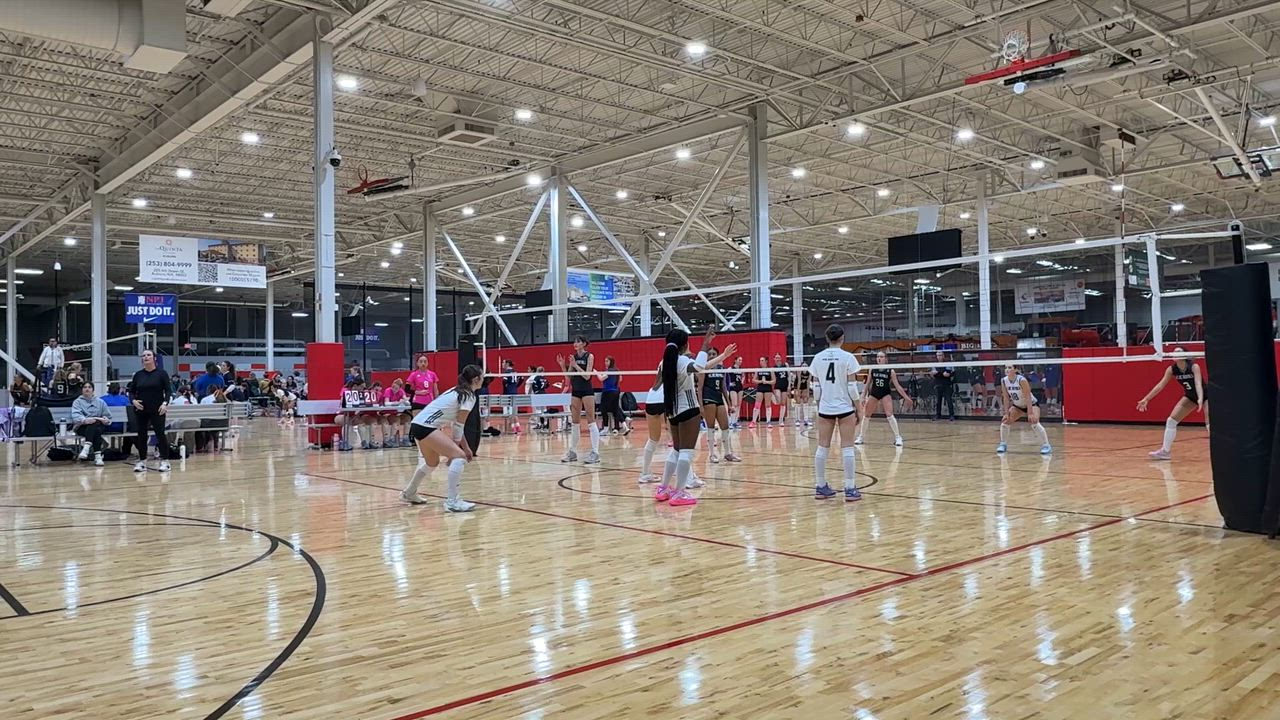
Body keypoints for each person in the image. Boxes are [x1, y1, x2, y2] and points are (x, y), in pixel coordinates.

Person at [651, 328, 734, 507]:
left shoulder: (665, 362)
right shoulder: (682, 360)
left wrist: (722, 357)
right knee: (686, 452)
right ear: (684, 344)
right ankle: (679, 492)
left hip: (673, 411)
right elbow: (698, 367)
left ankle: (663, 488)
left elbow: (700, 367)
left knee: (676, 451)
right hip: (688, 410)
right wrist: (705, 344)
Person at [399, 364, 485, 512]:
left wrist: (465, 447)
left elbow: (457, 424)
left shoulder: (456, 391)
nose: (484, 379)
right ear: (476, 379)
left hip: (417, 424)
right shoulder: (468, 396)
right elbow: (458, 426)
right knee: (459, 457)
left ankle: (409, 492)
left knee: (432, 463)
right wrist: (456, 451)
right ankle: (452, 501)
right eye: (482, 377)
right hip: (426, 427)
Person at [809, 325, 863, 501]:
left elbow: (816, 389)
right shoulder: (848, 358)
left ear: (827, 338)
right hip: (845, 408)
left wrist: (820, 406)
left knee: (822, 447)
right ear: (842, 338)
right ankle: (850, 488)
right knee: (847, 447)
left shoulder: (818, 358)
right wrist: (859, 408)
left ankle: (820, 486)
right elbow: (852, 388)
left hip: (825, 408)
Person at [1137, 348, 1208, 460]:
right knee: (1171, 421)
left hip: (1206, 396)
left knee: (1209, 425)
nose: (1175, 353)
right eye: (1174, 352)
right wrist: (1146, 399)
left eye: (1179, 351)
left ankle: (1221, 451)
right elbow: (1160, 385)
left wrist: (1200, 398)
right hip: (1190, 397)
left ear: (1185, 355)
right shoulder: (1171, 369)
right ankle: (1165, 452)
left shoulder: (1194, 367)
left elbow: (1198, 383)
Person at [557, 336, 601, 464]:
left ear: (584, 344)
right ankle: (573, 452)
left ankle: (595, 452)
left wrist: (575, 365)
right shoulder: (573, 357)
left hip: (587, 391)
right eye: (574, 342)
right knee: (575, 422)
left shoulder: (589, 356)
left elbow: (587, 376)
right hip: (575, 391)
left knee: (591, 420)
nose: (575, 344)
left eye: (578, 342)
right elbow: (569, 377)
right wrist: (563, 366)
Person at [129, 349, 173, 472]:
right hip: (141, 409)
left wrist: (165, 403)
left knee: (160, 434)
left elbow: (168, 390)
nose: (146, 357)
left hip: (158, 409)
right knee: (141, 435)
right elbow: (131, 392)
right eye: (144, 355)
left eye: (148, 355)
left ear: (154, 358)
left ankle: (165, 461)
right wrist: (133, 401)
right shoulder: (138, 375)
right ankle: (142, 461)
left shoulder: (161, 373)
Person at [857, 351, 912, 446]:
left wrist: (906, 398)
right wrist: (863, 396)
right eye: (878, 357)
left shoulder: (890, 371)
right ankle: (861, 437)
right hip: (874, 393)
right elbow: (867, 384)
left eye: (881, 357)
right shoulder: (872, 369)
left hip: (885, 393)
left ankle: (898, 437)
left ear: (886, 359)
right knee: (866, 415)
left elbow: (898, 386)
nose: (879, 358)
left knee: (889, 415)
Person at [997, 364, 1052, 455]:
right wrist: (1006, 413)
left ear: (1015, 370)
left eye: (1010, 367)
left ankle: (1046, 445)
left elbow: (1028, 397)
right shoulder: (1004, 380)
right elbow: (1006, 398)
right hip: (1018, 406)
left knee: (1034, 422)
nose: (1007, 369)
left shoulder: (1021, 380)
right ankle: (1003, 444)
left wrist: (1030, 413)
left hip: (1031, 404)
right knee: (1005, 421)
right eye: (1006, 368)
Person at [700, 346, 740, 463]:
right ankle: (712, 454)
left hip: (719, 399)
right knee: (711, 427)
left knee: (725, 426)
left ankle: (727, 453)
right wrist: (700, 405)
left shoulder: (721, 368)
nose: (712, 356)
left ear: (717, 356)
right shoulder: (704, 368)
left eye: (714, 354)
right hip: (708, 398)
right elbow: (700, 388)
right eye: (709, 354)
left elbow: (723, 387)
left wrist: (729, 404)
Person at [71, 383, 112, 466]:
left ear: (93, 390)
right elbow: (75, 416)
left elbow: (108, 416)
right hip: (82, 427)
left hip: (98, 425)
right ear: (82, 390)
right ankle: (98, 457)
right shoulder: (77, 402)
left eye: (89, 387)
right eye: (85, 387)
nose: (87, 389)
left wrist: (105, 420)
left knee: (95, 424)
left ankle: (86, 448)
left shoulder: (100, 402)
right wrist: (85, 420)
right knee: (95, 428)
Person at [598, 356, 629, 435]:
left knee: (603, 409)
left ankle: (605, 429)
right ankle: (625, 426)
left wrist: (596, 373)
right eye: (605, 361)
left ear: (611, 362)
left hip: (608, 392)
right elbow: (620, 379)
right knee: (615, 410)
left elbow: (601, 378)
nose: (605, 363)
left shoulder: (609, 371)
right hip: (616, 391)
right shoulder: (617, 370)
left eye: (607, 361)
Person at [383, 378, 411, 447]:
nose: (394, 389)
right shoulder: (388, 390)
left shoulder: (401, 391)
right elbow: (386, 403)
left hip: (397, 413)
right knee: (396, 420)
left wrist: (404, 400)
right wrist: (397, 403)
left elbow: (407, 402)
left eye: (396, 388)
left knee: (408, 418)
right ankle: (391, 439)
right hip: (388, 413)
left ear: (399, 388)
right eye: (393, 387)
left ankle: (405, 438)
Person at [749, 356, 775, 427]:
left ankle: (768, 421)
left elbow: (774, 381)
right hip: (760, 388)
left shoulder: (770, 370)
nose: (761, 362)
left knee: (768, 405)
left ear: (766, 361)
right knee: (757, 405)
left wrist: (766, 382)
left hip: (768, 389)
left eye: (762, 360)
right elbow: (753, 380)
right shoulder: (758, 370)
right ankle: (753, 421)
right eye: (760, 360)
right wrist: (760, 381)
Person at [932, 351, 956, 421]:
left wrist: (948, 374)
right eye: (938, 355)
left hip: (947, 384)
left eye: (940, 355)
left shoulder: (948, 364)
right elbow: (934, 374)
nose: (939, 357)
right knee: (938, 401)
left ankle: (951, 415)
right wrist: (941, 374)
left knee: (949, 400)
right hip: (938, 384)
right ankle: (938, 415)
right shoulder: (934, 365)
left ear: (943, 356)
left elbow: (952, 373)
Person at [772, 353, 791, 426]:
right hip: (777, 385)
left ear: (781, 358)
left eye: (779, 357)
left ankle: (781, 420)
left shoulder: (785, 365)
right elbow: (773, 378)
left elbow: (789, 376)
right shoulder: (773, 368)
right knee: (778, 401)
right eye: (776, 358)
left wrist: (789, 386)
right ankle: (771, 396)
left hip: (784, 385)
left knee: (783, 403)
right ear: (774, 359)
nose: (778, 359)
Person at [725, 357, 744, 429]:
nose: (740, 361)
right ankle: (731, 421)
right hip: (733, 388)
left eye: (741, 360)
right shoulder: (731, 368)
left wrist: (742, 381)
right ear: (735, 360)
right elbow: (725, 375)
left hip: (740, 387)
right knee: (734, 404)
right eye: (739, 360)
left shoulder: (741, 369)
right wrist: (729, 383)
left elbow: (743, 376)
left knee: (738, 405)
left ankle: (735, 421)